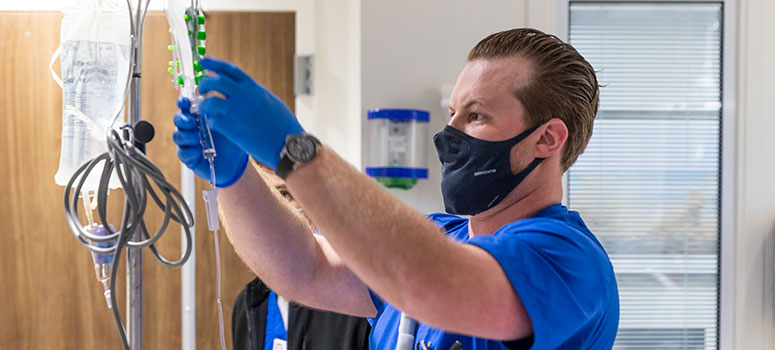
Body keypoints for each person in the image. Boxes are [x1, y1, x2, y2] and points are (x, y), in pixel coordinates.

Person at [173, 28, 619, 349]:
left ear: (547, 138)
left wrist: (295, 150)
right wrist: (234, 177)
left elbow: (430, 282)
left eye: (477, 116)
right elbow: (302, 269)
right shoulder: (443, 235)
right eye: (452, 113)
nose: (449, 135)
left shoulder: (569, 261)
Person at [231, 164, 371, 350]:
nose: (283, 207)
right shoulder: (250, 302)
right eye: (278, 195)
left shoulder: (352, 299)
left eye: (289, 195)